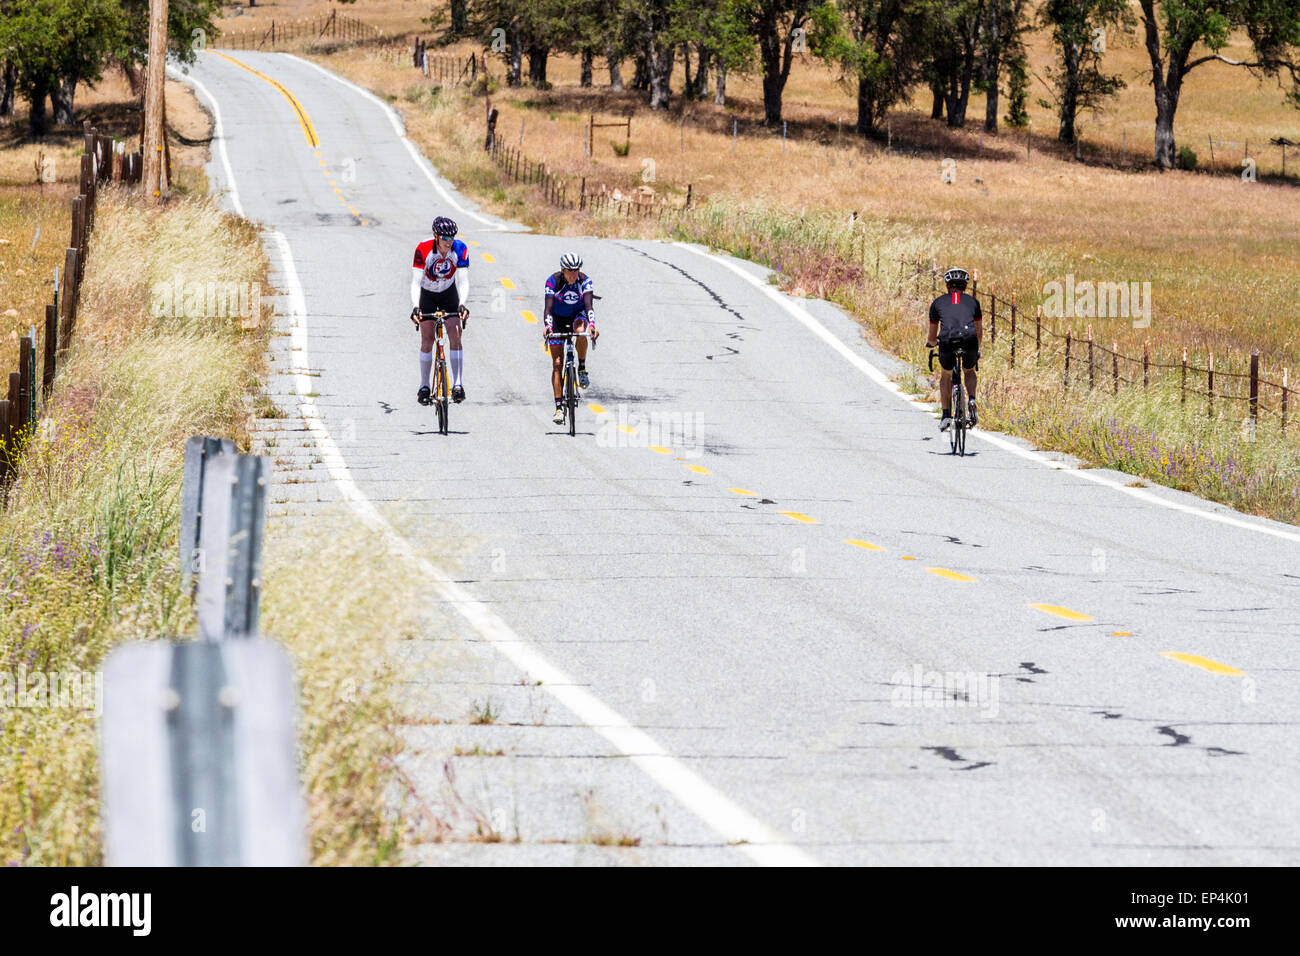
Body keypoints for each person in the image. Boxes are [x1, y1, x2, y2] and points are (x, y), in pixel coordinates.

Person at [410, 216, 470, 405]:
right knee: (427, 339)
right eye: (444, 238)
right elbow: (416, 282)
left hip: (448, 293)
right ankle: (424, 385)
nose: (448, 242)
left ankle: (458, 384)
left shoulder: (460, 248)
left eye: (451, 237)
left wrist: (462, 304)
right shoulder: (423, 249)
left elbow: (463, 280)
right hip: (427, 293)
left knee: (455, 334)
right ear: (436, 236)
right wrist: (416, 307)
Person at [543, 252, 599, 425]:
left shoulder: (585, 281)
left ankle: (581, 368)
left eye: (576, 270)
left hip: (577, 315)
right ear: (563, 270)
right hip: (558, 319)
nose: (573, 274)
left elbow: (589, 305)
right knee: (558, 363)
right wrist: (548, 328)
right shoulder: (553, 281)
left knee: (581, 329)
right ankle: (559, 408)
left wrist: (592, 326)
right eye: (569, 271)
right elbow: (548, 308)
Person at [926, 267, 982, 431]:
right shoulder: (973, 302)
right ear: (965, 286)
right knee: (970, 370)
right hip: (970, 338)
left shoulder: (938, 303)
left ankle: (945, 416)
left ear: (947, 285)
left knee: (946, 375)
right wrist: (976, 348)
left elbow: (931, 336)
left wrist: (931, 343)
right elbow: (979, 331)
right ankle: (971, 400)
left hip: (947, 339)